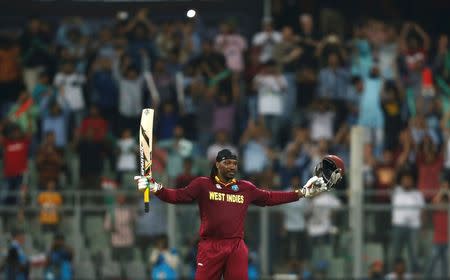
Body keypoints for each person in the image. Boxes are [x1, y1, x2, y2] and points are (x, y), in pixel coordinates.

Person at [135, 149, 343, 279]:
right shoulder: (202, 185)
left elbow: (271, 198)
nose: (232, 167)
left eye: (235, 163)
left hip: (235, 246)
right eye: (227, 163)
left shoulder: (245, 188)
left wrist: (302, 193)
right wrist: (155, 187)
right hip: (210, 246)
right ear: (217, 164)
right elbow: (177, 196)